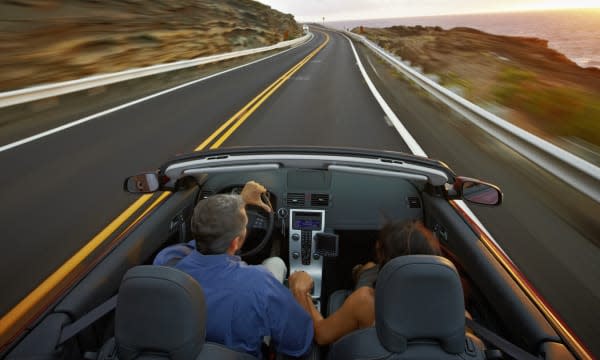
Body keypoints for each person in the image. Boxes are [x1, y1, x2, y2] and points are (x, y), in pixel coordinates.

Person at [153, 181, 313, 358]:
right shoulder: (259, 282)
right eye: (245, 225)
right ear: (236, 242)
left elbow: (201, 243)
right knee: (275, 263)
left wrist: (239, 201)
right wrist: (299, 293)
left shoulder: (167, 261)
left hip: (186, 348)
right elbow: (299, 345)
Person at [289, 219, 441, 346]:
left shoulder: (366, 302)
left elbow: (321, 335)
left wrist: (301, 292)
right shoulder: (454, 308)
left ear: (381, 253)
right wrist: (363, 271)